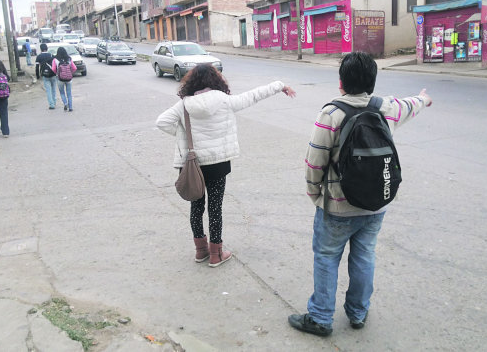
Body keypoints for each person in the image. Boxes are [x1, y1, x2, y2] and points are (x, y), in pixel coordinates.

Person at [288, 52, 433, 337]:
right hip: (376, 204)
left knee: (327, 258)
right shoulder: (387, 108)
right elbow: (411, 105)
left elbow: (315, 161)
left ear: (341, 82)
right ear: (373, 82)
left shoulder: (331, 113)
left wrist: (315, 195)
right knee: (364, 256)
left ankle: (320, 318)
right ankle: (357, 312)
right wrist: (424, 99)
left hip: (337, 208)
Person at [156, 64, 296, 267]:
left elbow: (162, 122)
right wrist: (279, 85)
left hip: (192, 165)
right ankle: (216, 254)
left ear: (192, 82)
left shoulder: (184, 104)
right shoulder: (224, 100)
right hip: (217, 163)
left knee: (196, 207)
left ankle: (200, 251)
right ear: (215, 80)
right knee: (215, 208)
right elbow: (254, 95)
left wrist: (185, 136)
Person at [51, 46, 76, 112]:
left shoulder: (55, 59)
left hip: (60, 78)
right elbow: (74, 68)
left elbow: (53, 69)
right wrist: (70, 73)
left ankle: (65, 103)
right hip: (69, 79)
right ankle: (70, 107)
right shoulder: (69, 59)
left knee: (62, 92)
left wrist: (57, 73)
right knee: (69, 93)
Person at [35, 43, 56, 109]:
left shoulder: (39, 56)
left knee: (48, 90)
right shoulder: (51, 55)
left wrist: (38, 76)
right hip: (53, 74)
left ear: (41, 49)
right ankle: (54, 102)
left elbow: (37, 67)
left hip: (45, 75)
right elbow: (55, 65)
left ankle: (51, 104)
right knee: (53, 89)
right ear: (47, 48)